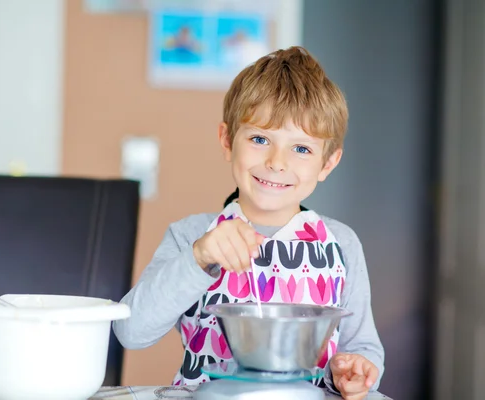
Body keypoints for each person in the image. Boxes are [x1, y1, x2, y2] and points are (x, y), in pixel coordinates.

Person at [113, 46, 384, 400]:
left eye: (301, 149)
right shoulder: (192, 237)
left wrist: (354, 371)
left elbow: (363, 347)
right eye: (260, 139)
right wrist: (198, 258)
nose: (276, 162)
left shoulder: (340, 244)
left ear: (328, 163)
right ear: (227, 141)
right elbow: (131, 331)